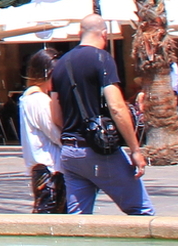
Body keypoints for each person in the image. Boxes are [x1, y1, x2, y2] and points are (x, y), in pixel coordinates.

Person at [50, 14, 153, 216]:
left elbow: (55, 115)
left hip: (70, 153)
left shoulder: (60, 64)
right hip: (99, 152)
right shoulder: (101, 59)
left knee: (78, 219)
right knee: (141, 211)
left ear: (80, 33)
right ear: (104, 34)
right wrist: (135, 149)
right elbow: (116, 107)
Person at [18, 50, 65, 214]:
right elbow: (56, 134)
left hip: (41, 168)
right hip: (51, 168)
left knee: (46, 214)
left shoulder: (27, 99)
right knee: (49, 216)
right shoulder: (39, 100)